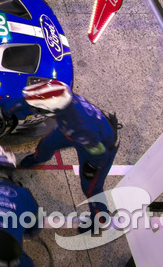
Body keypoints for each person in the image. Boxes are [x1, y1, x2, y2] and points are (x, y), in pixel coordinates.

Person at [19, 80, 120, 231]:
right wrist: (6, 110)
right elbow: (30, 100)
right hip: (76, 132)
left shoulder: (80, 127)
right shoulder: (62, 99)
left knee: (91, 189)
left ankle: (99, 219)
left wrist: (92, 167)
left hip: (100, 149)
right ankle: (38, 158)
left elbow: (100, 154)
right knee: (47, 143)